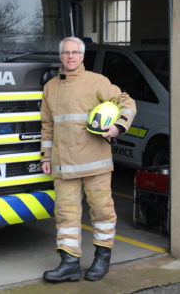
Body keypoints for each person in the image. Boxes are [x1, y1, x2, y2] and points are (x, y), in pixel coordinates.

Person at [40, 36, 136, 282]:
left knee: (102, 212)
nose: (71, 56)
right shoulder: (51, 87)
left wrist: (118, 127)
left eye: (75, 52)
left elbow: (127, 103)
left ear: (82, 56)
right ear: (60, 56)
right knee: (66, 215)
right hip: (63, 164)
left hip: (96, 163)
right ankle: (69, 263)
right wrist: (45, 156)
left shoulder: (97, 82)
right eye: (66, 53)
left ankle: (102, 259)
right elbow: (47, 126)